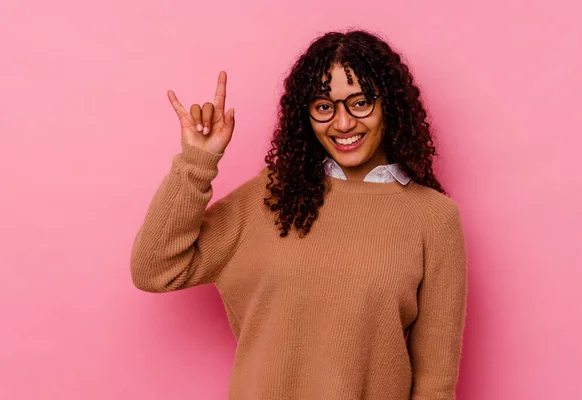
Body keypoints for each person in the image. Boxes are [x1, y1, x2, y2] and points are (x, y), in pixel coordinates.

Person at [131, 29, 467, 400]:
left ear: (390, 105)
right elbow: (154, 269)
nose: (342, 124)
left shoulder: (434, 218)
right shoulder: (271, 195)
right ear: (305, 115)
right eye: (324, 106)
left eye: (360, 103)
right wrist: (198, 161)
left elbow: (435, 383)